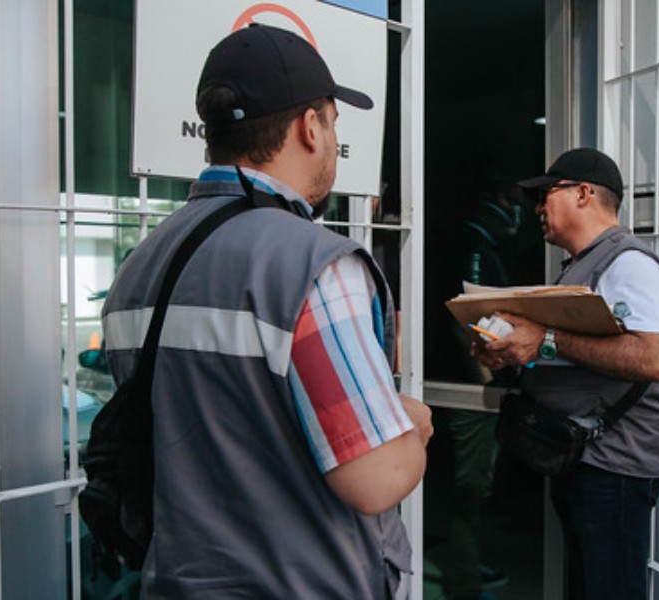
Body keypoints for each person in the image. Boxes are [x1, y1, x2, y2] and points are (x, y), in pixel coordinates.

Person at [101, 24, 432, 599]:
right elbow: (376, 479)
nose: (332, 139)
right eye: (332, 122)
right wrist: (411, 427)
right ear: (311, 126)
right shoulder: (315, 264)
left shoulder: (139, 266)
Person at [472, 148, 659, 600]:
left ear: (584, 194)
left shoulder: (629, 264)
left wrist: (543, 339)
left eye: (548, 194)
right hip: (585, 460)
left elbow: (653, 358)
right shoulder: (585, 262)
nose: (539, 208)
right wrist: (512, 353)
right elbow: (576, 355)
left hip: (615, 465)